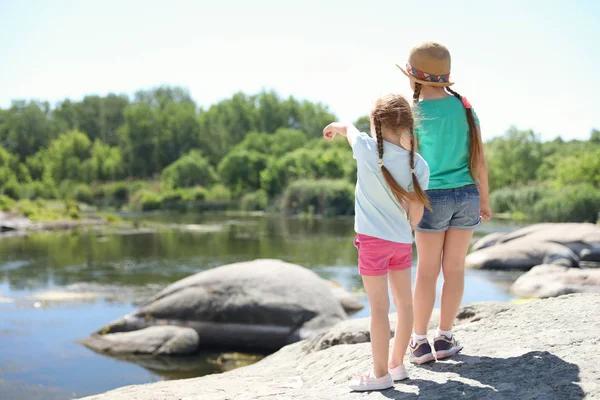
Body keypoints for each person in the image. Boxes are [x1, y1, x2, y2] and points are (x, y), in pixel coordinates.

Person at [323, 94, 430, 391]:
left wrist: (335, 126)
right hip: (400, 242)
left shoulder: (366, 149)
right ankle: (397, 365)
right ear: (408, 125)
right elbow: (417, 212)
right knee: (405, 304)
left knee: (379, 309)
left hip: (372, 243)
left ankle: (379, 374)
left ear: (377, 125)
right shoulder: (418, 165)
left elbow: (349, 130)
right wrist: (404, 227)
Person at [396, 41, 492, 364]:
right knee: (454, 269)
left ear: (417, 80)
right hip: (466, 194)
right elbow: (479, 159)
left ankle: (420, 343)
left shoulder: (413, 114)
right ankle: (446, 337)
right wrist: (485, 200)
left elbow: (409, 167)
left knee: (426, 271)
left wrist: (406, 205)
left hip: (430, 197)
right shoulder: (465, 108)